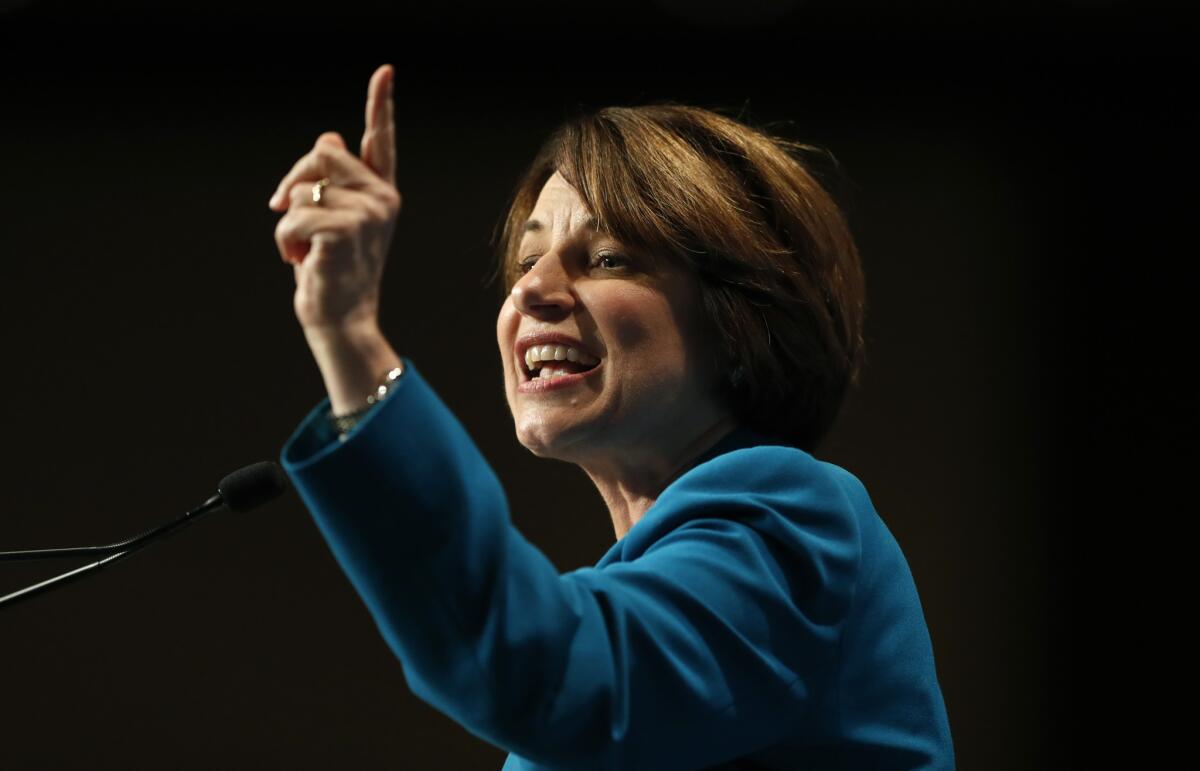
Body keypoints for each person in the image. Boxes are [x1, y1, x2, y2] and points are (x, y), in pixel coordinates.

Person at [271, 63, 955, 770]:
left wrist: (351, 337)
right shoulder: (631, 596)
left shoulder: (799, 516)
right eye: (527, 259)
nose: (532, 289)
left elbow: (539, 671)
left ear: (738, 319)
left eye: (606, 257)